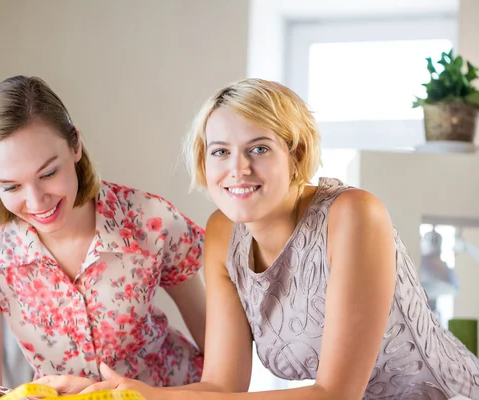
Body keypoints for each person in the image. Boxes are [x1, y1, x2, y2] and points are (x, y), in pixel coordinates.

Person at [65, 78, 479, 399]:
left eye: (259, 149)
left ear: (296, 154)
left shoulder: (353, 214)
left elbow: (336, 394)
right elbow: (223, 385)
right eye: (220, 152)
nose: (238, 169)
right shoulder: (222, 234)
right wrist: (126, 393)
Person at [0, 75, 206, 391]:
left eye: (48, 173)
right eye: (11, 186)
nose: (36, 202)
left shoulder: (149, 219)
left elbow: (221, 361)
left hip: (171, 393)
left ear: (75, 145)